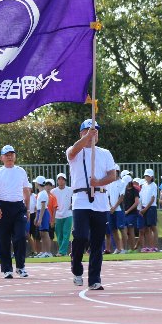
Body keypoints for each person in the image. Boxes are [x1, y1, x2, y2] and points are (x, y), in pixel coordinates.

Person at [67, 119, 116, 290]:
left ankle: (94, 279)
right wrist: (86, 138)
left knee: (97, 242)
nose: (92, 134)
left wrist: (99, 182)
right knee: (81, 236)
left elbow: (112, 175)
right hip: (81, 200)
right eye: (88, 131)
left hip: (100, 201)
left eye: (95, 131)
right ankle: (76, 266)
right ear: (81, 133)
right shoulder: (75, 152)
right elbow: (73, 151)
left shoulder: (105, 153)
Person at [0, 145, 31, 279]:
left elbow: (26, 191)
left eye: (12, 154)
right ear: (1, 157)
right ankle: (7, 269)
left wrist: (28, 208)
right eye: (6, 154)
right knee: (4, 239)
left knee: (20, 236)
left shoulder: (21, 171)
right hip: (3, 206)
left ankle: (20, 266)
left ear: (15, 156)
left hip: (19, 207)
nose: (9, 156)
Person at [51, 172, 73, 257]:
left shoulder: (70, 189)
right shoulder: (53, 191)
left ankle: (62, 251)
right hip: (57, 215)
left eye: (62, 179)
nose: (61, 181)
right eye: (59, 179)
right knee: (59, 235)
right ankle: (62, 251)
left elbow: (76, 196)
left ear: (65, 181)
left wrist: (72, 204)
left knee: (66, 233)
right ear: (57, 181)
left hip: (68, 214)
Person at [106, 166, 126, 254]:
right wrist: (111, 207)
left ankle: (124, 248)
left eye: (115, 171)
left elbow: (121, 196)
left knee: (121, 229)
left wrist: (114, 207)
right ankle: (118, 248)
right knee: (113, 229)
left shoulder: (122, 182)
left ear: (118, 172)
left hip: (119, 209)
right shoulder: (109, 183)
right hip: (111, 210)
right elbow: (107, 196)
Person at [33, 176, 52, 257]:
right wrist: (36, 217)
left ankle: (48, 252)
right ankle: (44, 252)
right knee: (42, 234)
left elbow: (43, 206)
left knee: (45, 233)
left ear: (38, 183)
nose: (35, 184)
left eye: (36, 182)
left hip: (43, 213)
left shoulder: (43, 193)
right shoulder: (41, 193)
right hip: (40, 213)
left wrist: (40, 218)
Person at [140, 169, 158, 252]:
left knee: (153, 227)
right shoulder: (144, 185)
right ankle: (148, 247)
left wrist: (145, 209)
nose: (146, 177)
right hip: (144, 208)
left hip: (151, 208)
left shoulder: (154, 185)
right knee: (146, 228)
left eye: (148, 176)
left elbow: (152, 199)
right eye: (145, 176)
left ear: (151, 177)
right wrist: (141, 208)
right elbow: (142, 198)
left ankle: (154, 247)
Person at [122, 176, 140, 252]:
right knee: (125, 230)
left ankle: (132, 248)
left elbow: (136, 202)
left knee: (131, 230)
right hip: (124, 213)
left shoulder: (134, 190)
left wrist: (128, 211)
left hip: (132, 213)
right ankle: (125, 248)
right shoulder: (124, 190)